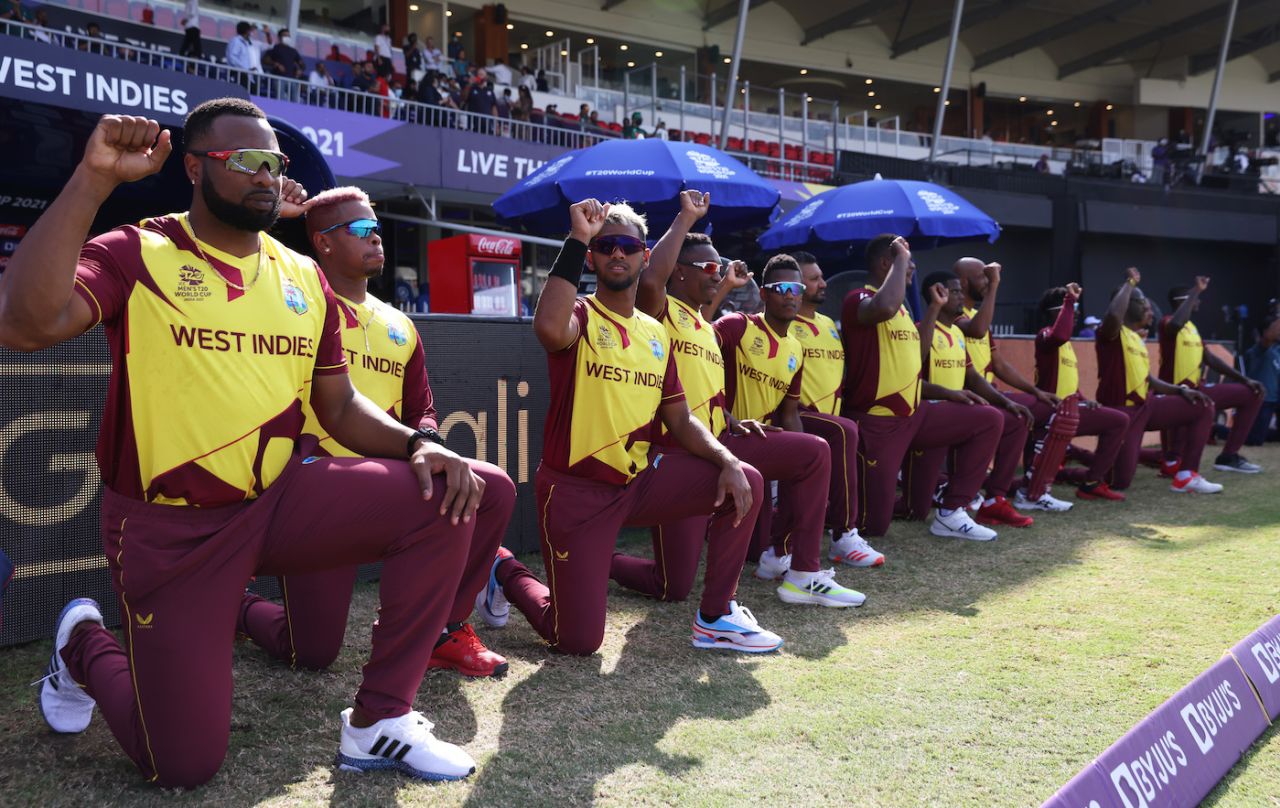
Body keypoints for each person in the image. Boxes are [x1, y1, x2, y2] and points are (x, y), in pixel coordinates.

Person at [3, 101, 487, 786]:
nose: (267, 176)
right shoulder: (140, 249)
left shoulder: (302, 276)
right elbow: (24, 324)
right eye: (247, 162)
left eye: (275, 164)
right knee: (182, 765)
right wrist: (93, 180)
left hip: (278, 499)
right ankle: (82, 641)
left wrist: (418, 444)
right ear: (196, 168)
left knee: (454, 487)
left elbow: (339, 404)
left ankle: (380, 721)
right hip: (171, 529)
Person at [475, 199, 783, 655]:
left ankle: (716, 617)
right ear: (592, 256)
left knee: (746, 477)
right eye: (606, 246)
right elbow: (548, 327)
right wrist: (578, 236)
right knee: (576, 641)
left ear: (644, 254)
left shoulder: (657, 333)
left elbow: (679, 418)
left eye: (628, 246)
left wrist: (726, 457)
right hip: (576, 491)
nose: (617, 254)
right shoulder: (580, 314)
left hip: (639, 482)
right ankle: (504, 570)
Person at [234, 186, 515, 679]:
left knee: (490, 486)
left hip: (388, 479)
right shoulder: (290, 303)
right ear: (322, 242)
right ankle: (238, 607)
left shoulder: (400, 324)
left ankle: (445, 630)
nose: (377, 239)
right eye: (362, 230)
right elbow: (243, 264)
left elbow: (422, 410)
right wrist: (276, 213)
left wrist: (424, 441)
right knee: (312, 653)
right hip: (315, 491)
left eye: (378, 230)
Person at [608, 192, 861, 608]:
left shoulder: (705, 325)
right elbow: (651, 279)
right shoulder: (661, 310)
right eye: (708, 267)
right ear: (679, 275)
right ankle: (604, 560)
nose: (716, 273)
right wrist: (686, 218)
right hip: (682, 452)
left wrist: (729, 416)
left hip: (720, 441)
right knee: (671, 586)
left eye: (720, 266)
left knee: (814, 452)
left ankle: (803, 572)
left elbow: (700, 385)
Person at [840, 234, 1001, 542]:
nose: (912, 267)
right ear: (887, 263)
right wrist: (901, 257)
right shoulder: (859, 298)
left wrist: (932, 310)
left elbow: (919, 358)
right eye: (906, 260)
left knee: (988, 418)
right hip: (878, 421)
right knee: (875, 526)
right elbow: (884, 307)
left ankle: (952, 511)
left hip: (915, 414)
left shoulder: (903, 311)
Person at [912, 271, 1035, 528]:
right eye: (955, 292)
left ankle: (992, 499)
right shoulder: (920, 331)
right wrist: (948, 394)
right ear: (938, 293)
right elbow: (910, 381)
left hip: (956, 416)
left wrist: (1004, 400)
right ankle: (938, 489)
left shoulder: (956, 332)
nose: (961, 297)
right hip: (928, 418)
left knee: (1014, 418)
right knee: (914, 509)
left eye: (960, 291)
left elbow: (972, 376)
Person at [782, 251, 883, 565]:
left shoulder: (828, 323)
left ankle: (835, 532)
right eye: (813, 279)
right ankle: (843, 534)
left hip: (832, 418)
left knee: (845, 432)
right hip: (798, 417)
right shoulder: (782, 322)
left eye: (820, 277)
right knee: (845, 432)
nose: (823, 284)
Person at [953, 258, 1074, 514]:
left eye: (989, 277)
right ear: (963, 282)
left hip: (989, 393)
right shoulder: (952, 314)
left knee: (1047, 409)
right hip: (966, 398)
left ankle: (1021, 491)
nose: (986, 282)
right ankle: (1004, 492)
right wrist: (995, 285)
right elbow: (975, 331)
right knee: (1019, 415)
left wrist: (1034, 390)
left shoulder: (978, 313)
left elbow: (999, 364)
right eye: (982, 277)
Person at [1095, 268, 1221, 493]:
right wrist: (1130, 283)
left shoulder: (1136, 337)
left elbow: (1148, 379)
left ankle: (1186, 475)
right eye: (1141, 301)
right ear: (1124, 303)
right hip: (1124, 412)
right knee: (1119, 481)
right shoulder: (1109, 333)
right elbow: (1114, 316)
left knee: (1203, 404)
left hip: (1147, 406)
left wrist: (1180, 391)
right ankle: (1068, 471)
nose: (1147, 307)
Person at [1031, 284, 1131, 502]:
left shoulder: (1067, 345)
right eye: (1070, 309)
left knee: (1118, 421)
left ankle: (1092, 483)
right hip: (1050, 413)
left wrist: (1084, 400)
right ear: (1053, 312)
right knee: (1028, 483)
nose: (1075, 314)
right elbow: (1059, 334)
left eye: (1075, 310)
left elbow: (1069, 384)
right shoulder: (1046, 335)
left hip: (1069, 411)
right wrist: (1069, 301)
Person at [1157, 277, 1265, 473]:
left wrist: (1245, 379)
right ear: (1184, 300)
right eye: (1194, 298)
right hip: (1178, 394)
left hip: (1198, 391)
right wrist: (1195, 291)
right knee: (1172, 463)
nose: (1198, 302)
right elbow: (1176, 324)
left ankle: (1228, 457)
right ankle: (1174, 461)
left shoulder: (1192, 329)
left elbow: (1210, 359)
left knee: (1253, 393)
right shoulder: (1167, 322)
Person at [1244, 312, 1280, 445]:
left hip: (1276, 399)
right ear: (1265, 332)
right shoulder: (1259, 350)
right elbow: (1266, 340)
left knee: (1263, 435)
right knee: (1255, 440)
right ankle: (1217, 429)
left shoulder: (1277, 350)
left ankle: (1263, 432)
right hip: (1263, 399)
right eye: (1275, 328)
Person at [461, 68, 497, 134]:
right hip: (473, 123)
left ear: (486, 77)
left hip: (487, 124)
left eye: (481, 74)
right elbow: (463, 98)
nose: (479, 76)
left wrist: (497, 125)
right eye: (478, 74)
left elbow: (493, 108)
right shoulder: (471, 88)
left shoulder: (490, 91)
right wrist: (469, 84)